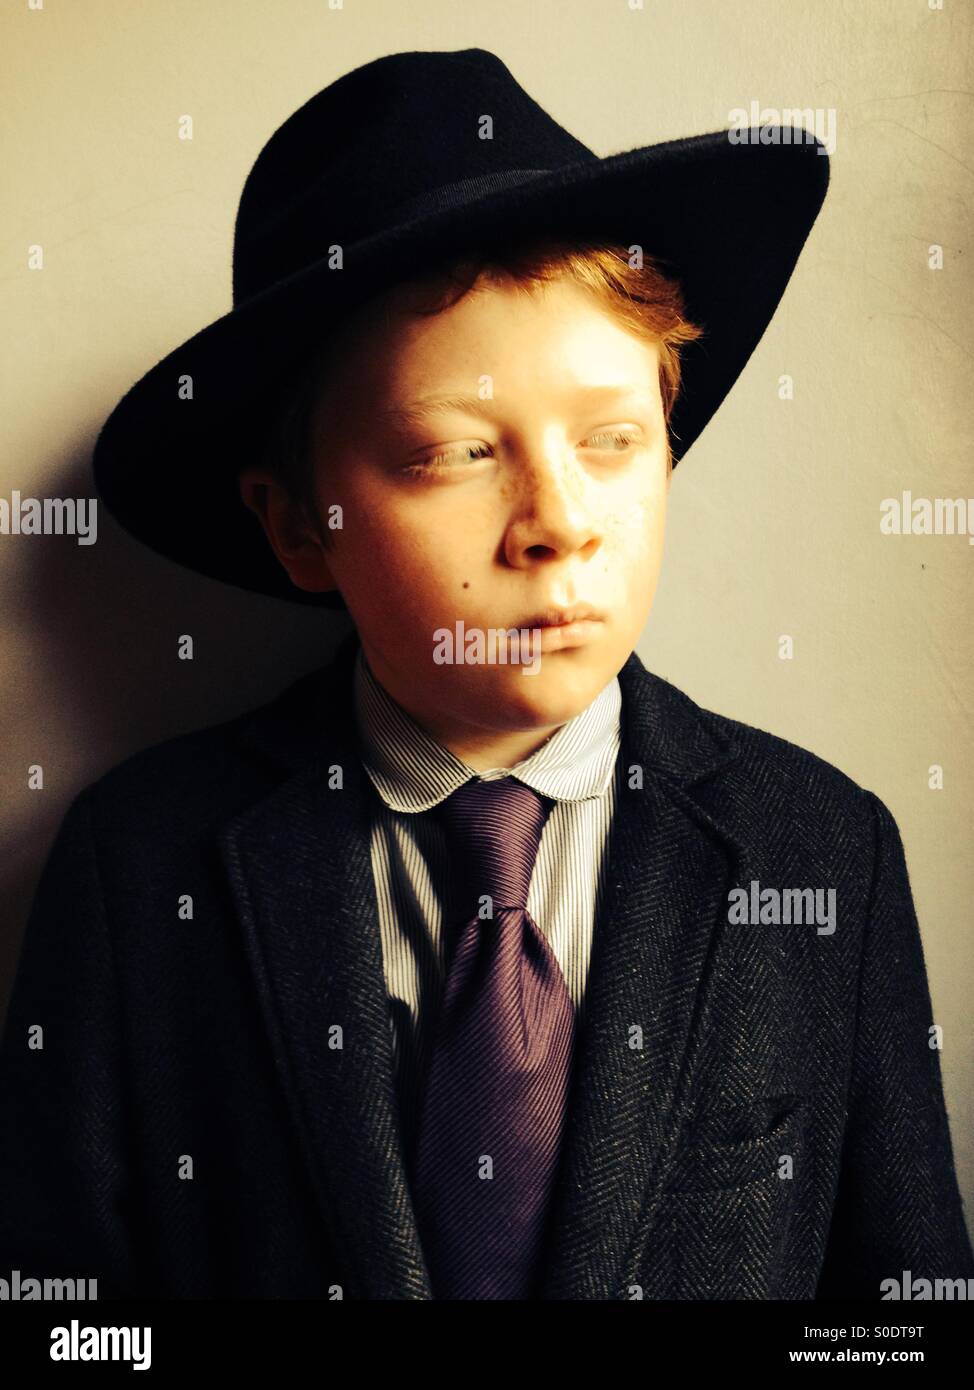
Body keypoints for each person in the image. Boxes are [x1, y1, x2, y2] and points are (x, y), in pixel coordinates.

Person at [0, 47, 970, 1301]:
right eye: (456, 451)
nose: (555, 523)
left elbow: (902, 1312)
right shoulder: (138, 866)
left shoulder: (823, 854)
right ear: (301, 526)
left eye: (613, 440)